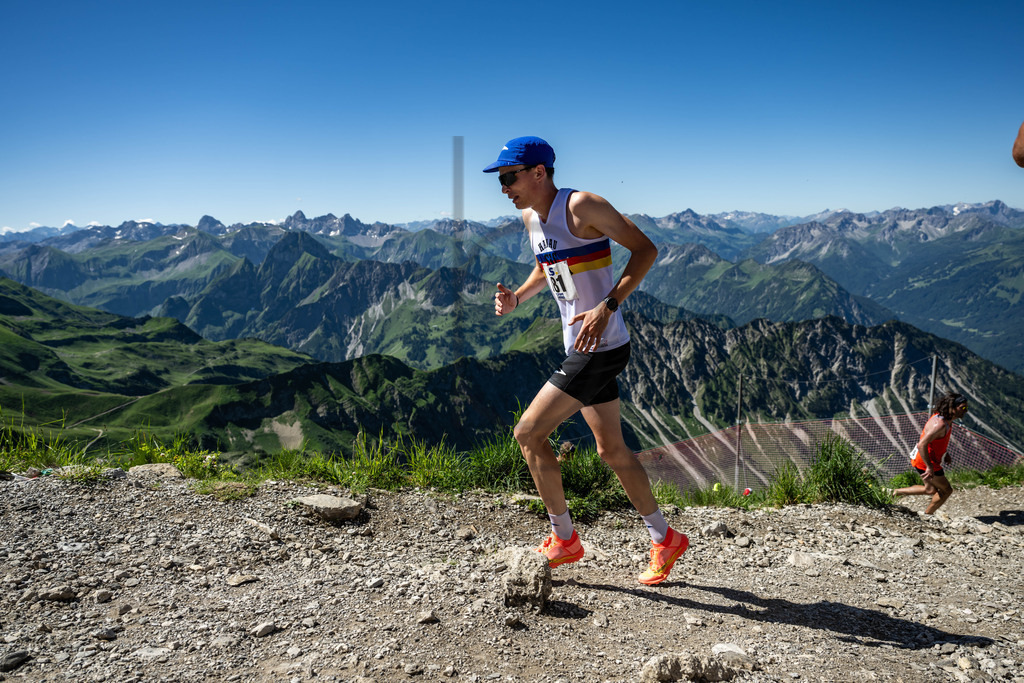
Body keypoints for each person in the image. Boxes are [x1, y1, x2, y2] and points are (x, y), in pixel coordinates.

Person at [484, 135, 688, 585]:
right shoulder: (530, 217)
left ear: (539, 171)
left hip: (601, 345)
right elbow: (547, 266)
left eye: (509, 177)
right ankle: (665, 538)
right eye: (500, 179)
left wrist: (609, 304)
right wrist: (518, 296)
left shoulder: (582, 206)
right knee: (611, 450)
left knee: (528, 433)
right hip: (581, 345)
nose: (503, 188)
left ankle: (564, 538)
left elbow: (646, 250)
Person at [894, 392, 969, 514]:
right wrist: (929, 467)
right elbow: (922, 444)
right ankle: (928, 515)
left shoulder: (945, 418)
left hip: (923, 459)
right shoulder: (939, 424)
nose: (966, 411)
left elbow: (936, 441)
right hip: (927, 461)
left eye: (966, 407)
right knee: (946, 490)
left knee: (930, 489)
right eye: (963, 408)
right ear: (952, 407)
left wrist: (945, 452)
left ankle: (895, 492)